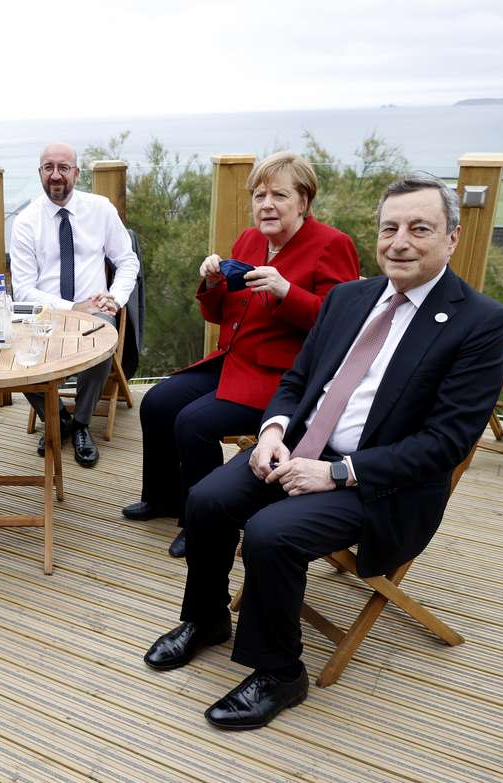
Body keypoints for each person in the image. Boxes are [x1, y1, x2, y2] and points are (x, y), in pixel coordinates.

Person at [143, 173, 503, 730]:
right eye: (390, 228)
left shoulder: (479, 323)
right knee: (207, 499)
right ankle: (207, 618)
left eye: (420, 228)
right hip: (295, 448)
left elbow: (445, 445)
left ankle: (280, 672)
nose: (401, 241)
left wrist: (337, 472)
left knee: (271, 535)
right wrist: (271, 432)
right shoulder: (348, 298)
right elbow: (296, 380)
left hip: (381, 484)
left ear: (452, 238)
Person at [121, 151, 359, 558]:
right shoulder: (250, 240)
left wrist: (287, 291)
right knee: (157, 402)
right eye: (259, 195)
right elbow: (220, 313)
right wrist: (212, 283)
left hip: (280, 380)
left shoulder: (332, 245)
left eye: (279, 195)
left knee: (193, 422)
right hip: (233, 361)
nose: (266, 204)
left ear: (303, 201)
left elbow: (343, 325)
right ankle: (163, 498)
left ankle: (202, 523)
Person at [10, 142, 140, 468]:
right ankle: (57, 419)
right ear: (40, 173)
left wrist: (116, 298)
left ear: (76, 173)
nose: (56, 175)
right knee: (12, 351)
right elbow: (23, 290)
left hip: (95, 310)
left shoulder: (101, 209)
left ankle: (81, 424)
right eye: (48, 167)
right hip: (44, 312)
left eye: (63, 168)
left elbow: (127, 261)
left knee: (101, 338)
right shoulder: (26, 222)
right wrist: (71, 308)